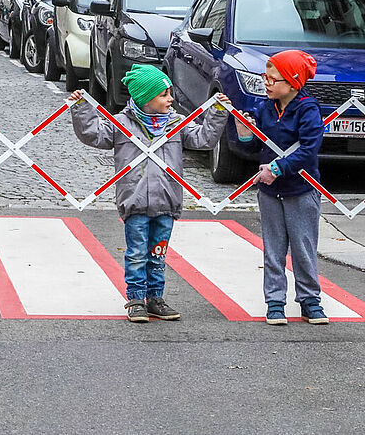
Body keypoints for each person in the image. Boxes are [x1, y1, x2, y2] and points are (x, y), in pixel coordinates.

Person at [70, 65, 227, 322]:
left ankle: (155, 298)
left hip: (166, 201)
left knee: (158, 254)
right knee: (136, 253)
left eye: (170, 93)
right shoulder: (121, 124)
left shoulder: (176, 123)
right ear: (145, 98)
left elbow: (203, 139)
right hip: (135, 202)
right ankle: (135, 299)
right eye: (164, 95)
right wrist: (81, 108)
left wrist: (218, 112)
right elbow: (93, 135)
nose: (171, 99)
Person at [232, 50, 329, 326]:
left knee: (303, 247)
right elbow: (256, 146)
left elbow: (309, 149)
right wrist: (245, 133)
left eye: (272, 79)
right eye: (265, 77)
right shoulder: (265, 108)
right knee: (273, 249)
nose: (266, 83)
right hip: (270, 192)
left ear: (293, 82)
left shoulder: (308, 109)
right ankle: (275, 301)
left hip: (301, 188)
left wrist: (277, 169)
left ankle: (310, 300)